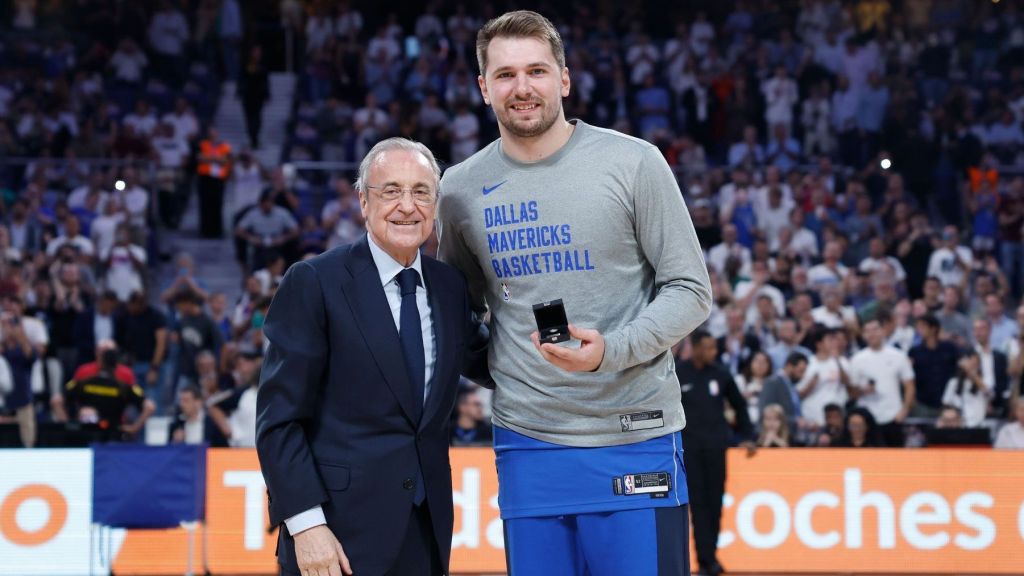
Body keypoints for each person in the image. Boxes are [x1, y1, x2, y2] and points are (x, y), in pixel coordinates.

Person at [437, 11, 712, 576]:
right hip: (528, 443)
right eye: (506, 74)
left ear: (563, 78)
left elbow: (690, 289)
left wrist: (610, 351)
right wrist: (511, 368)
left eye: (536, 70)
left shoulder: (633, 162)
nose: (523, 87)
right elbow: (455, 312)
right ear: (483, 87)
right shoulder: (459, 188)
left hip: (634, 431)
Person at [256, 138, 488, 576]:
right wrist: (306, 526)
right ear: (363, 201)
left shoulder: (449, 287)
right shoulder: (314, 282)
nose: (407, 205)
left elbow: (490, 361)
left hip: (426, 533)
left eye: (421, 191)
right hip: (335, 537)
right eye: (391, 191)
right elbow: (279, 422)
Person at [675, 331, 754, 576]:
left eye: (714, 348)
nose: (713, 352)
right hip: (690, 449)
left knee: (715, 503)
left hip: (717, 447)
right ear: (695, 347)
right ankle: (706, 561)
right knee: (698, 506)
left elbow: (739, 405)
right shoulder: (678, 373)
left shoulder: (721, 374)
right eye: (708, 348)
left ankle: (710, 557)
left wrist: (747, 436)